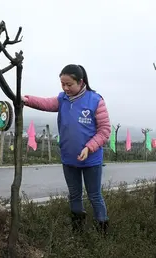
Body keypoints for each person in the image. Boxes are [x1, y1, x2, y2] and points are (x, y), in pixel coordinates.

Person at [23, 64, 111, 234]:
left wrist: (89, 148)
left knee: (94, 195)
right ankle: (77, 230)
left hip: (91, 159)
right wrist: (26, 99)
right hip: (69, 159)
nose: (65, 88)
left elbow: (105, 130)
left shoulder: (95, 100)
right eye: (62, 84)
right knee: (74, 194)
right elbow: (45, 103)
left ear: (81, 82)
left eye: (69, 84)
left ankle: (102, 229)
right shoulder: (62, 99)